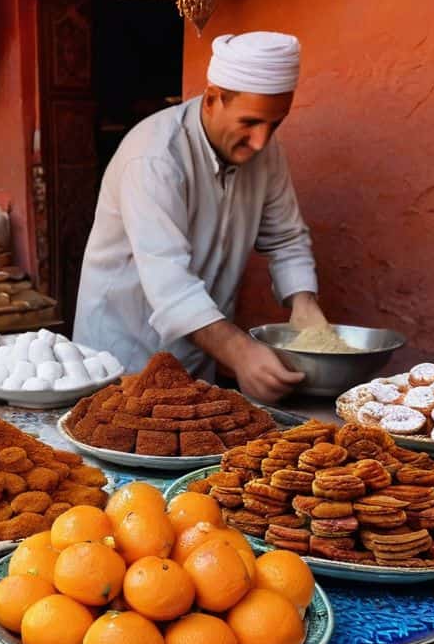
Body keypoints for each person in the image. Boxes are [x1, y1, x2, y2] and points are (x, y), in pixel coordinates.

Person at [74, 31, 328, 404]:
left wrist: (304, 303)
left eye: (274, 124)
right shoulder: (155, 158)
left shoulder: (266, 153)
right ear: (211, 100)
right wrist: (241, 353)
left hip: (197, 356)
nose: (260, 141)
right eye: (250, 122)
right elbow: (170, 284)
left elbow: (286, 238)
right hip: (122, 359)